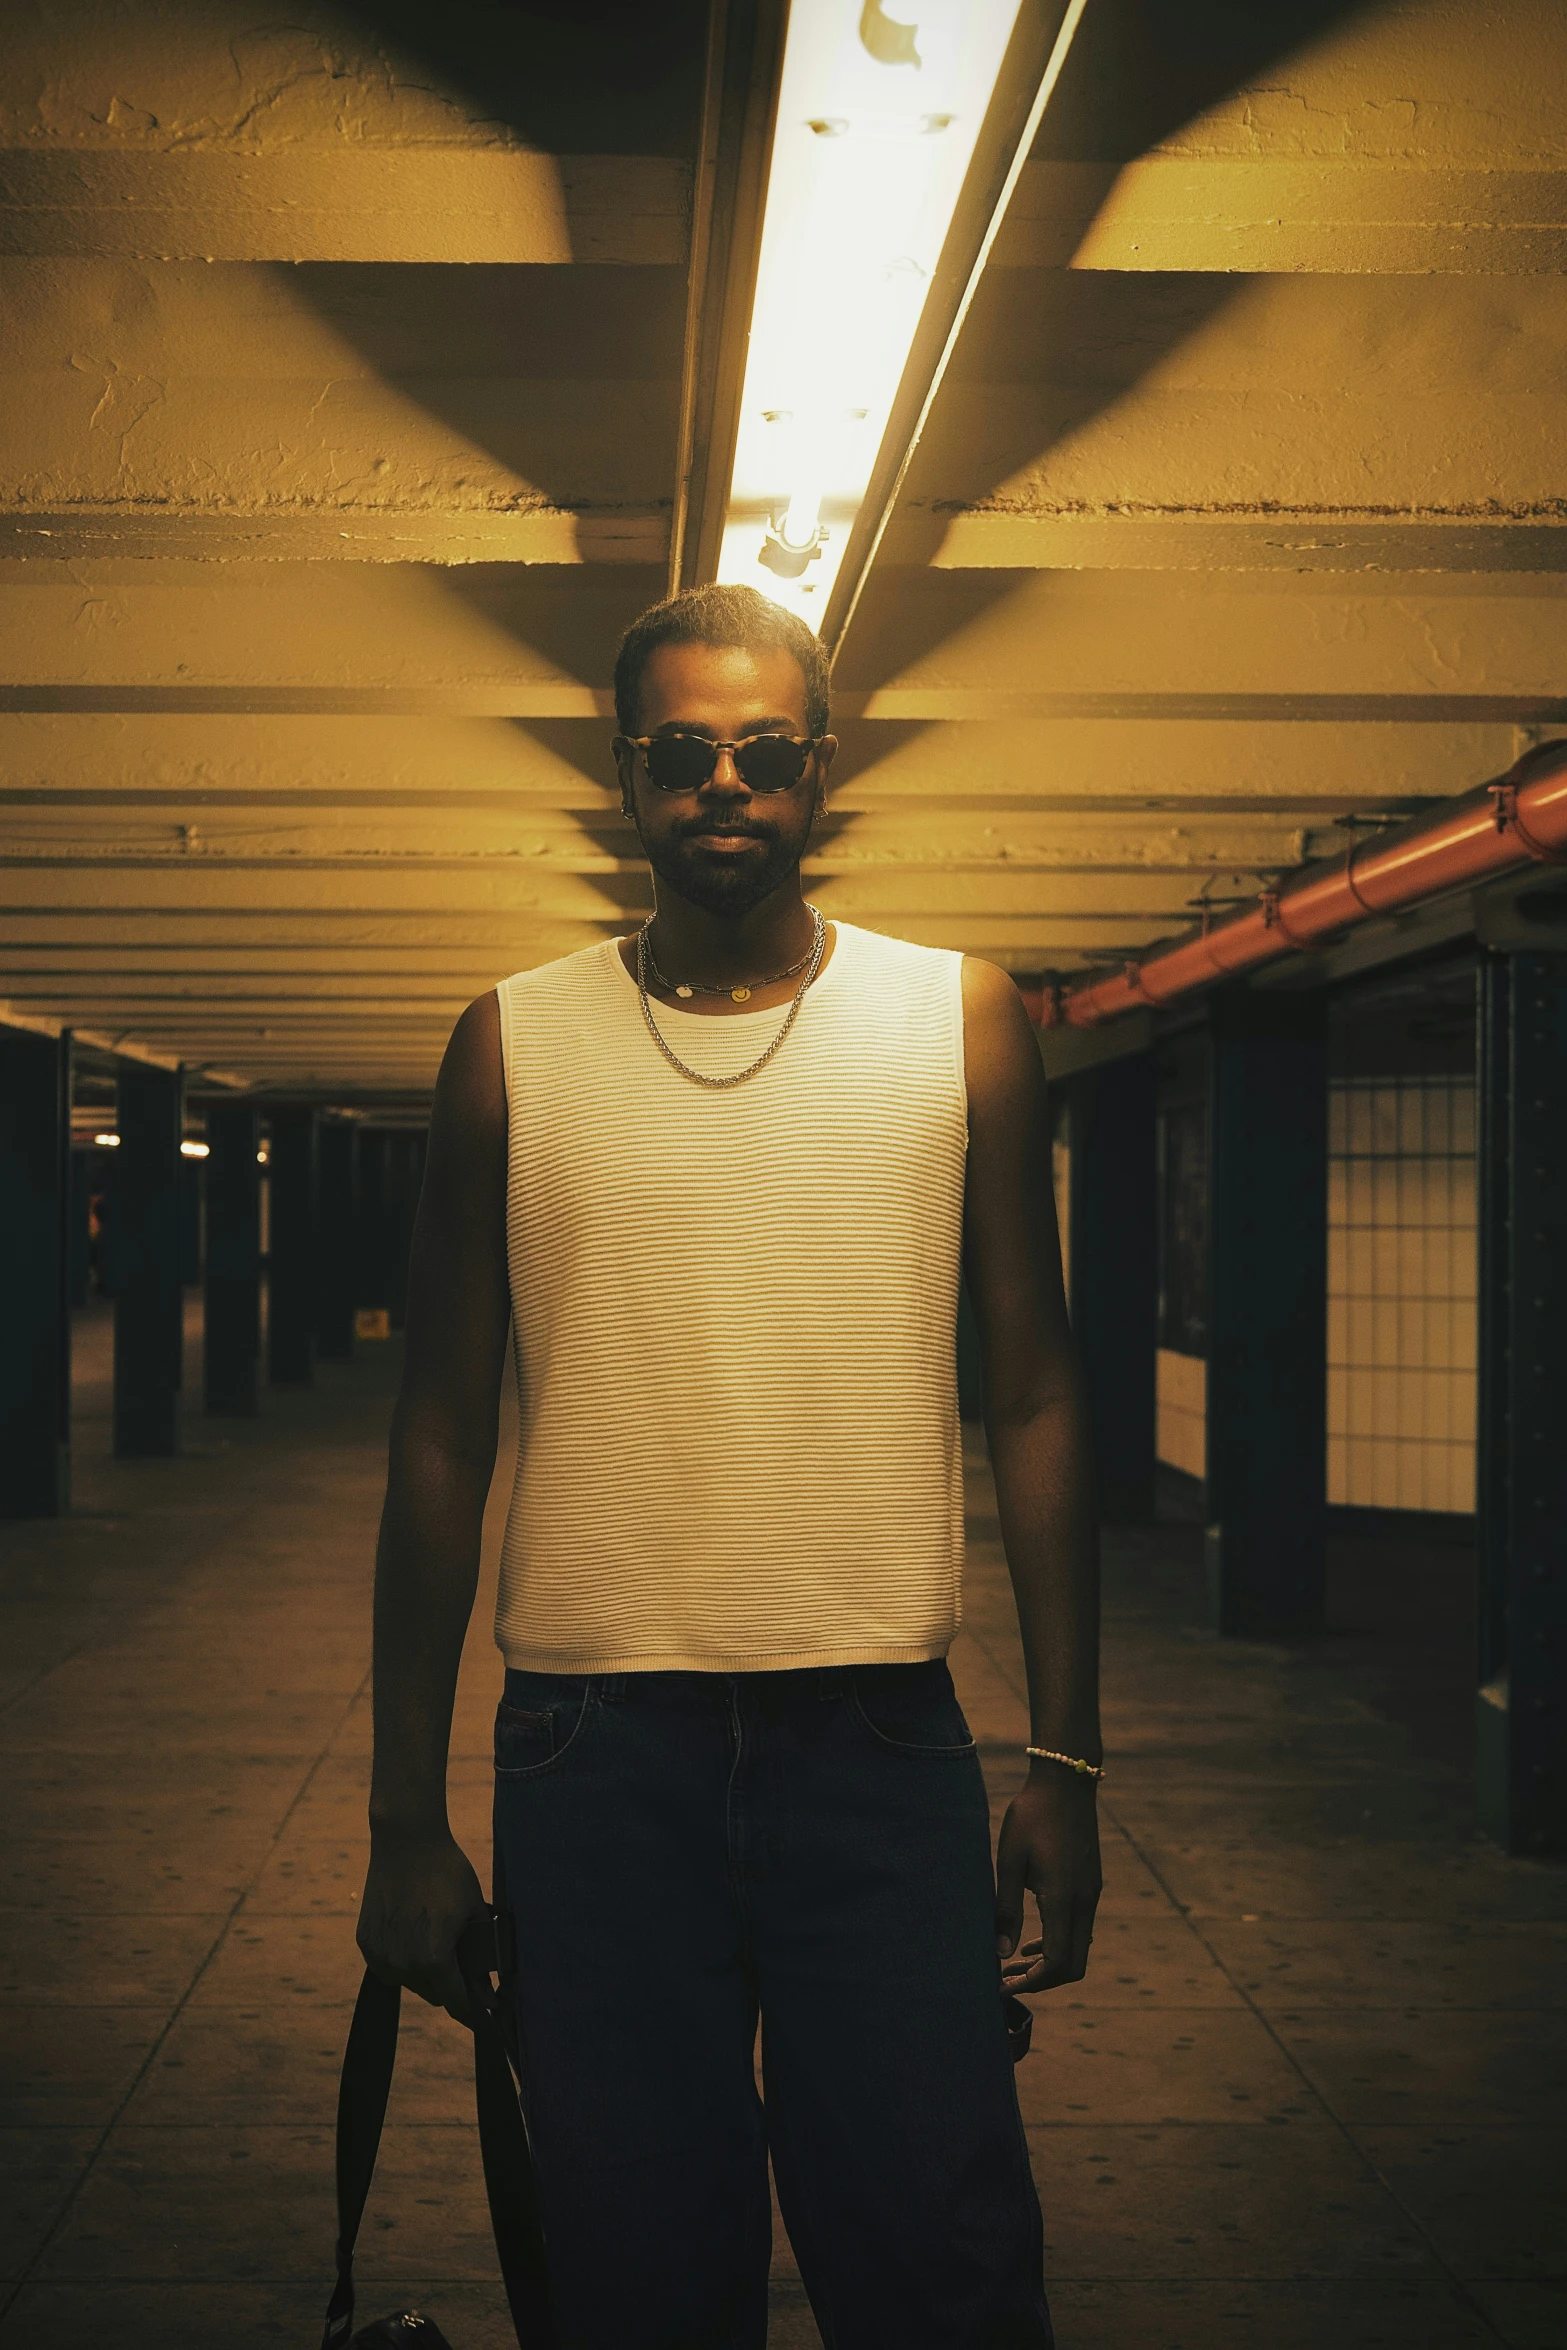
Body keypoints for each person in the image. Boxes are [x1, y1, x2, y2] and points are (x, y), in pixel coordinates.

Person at [356, 583, 1102, 2349]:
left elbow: (1043, 1395)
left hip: (879, 1741)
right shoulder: (509, 1047)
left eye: (763, 752)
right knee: (639, 2273)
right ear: (624, 773)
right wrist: (404, 1817)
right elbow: (441, 1432)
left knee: (941, 2258)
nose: (724, 785)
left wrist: (1062, 1754)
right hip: (594, 1753)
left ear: (820, 770)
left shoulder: (959, 1022)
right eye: (682, 753)